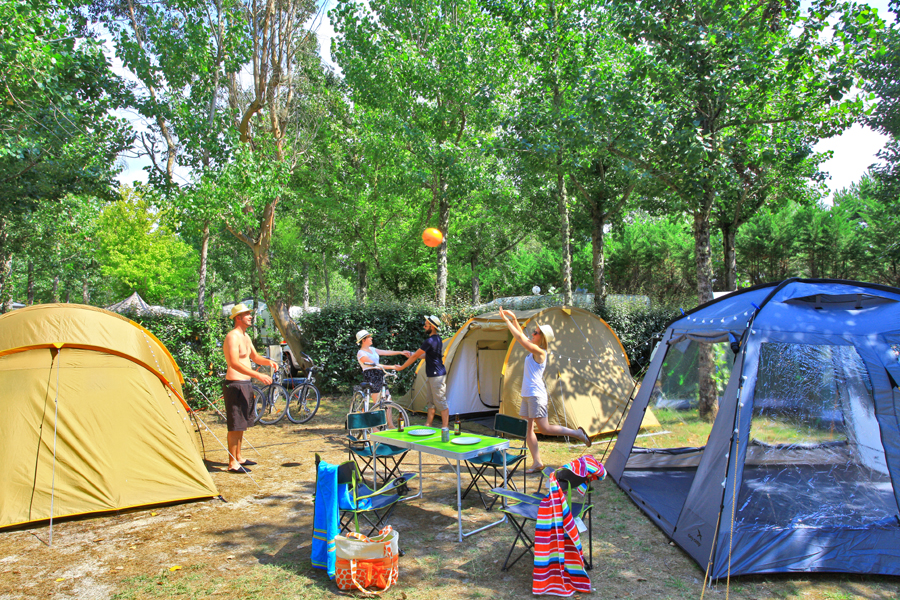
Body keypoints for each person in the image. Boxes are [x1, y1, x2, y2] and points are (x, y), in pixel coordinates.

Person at [498, 306, 591, 473]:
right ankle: (537, 462)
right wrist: (513, 318)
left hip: (536, 395)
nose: (533, 333)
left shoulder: (540, 352)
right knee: (527, 430)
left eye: (536, 332)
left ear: (542, 338)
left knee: (544, 429)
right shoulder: (534, 347)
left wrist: (506, 321)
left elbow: (519, 338)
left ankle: (577, 433)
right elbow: (522, 335)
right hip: (527, 394)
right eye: (534, 331)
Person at [222, 303, 278, 473]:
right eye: (247, 314)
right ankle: (232, 463)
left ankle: (239, 457)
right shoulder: (232, 336)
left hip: (245, 384)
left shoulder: (245, 336)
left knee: (242, 423)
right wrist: (258, 375)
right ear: (238, 318)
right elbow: (234, 363)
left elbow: (254, 357)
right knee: (235, 423)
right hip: (235, 384)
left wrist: (268, 361)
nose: (251, 316)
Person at [395, 315, 449, 429]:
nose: (424, 327)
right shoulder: (437, 339)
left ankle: (445, 427)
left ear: (432, 327)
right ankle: (428, 424)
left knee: (440, 401)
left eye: (426, 325)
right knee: (430, 401)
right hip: (433, 374)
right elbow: (426, 355)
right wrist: (412, 353)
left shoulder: (430, 341)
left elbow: (415, 356)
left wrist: (401, 367)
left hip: (437, 375)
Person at [355, 329, 411, 426]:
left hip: (380, 376)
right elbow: (373, 365)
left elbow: (386, 352)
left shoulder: (372, 349)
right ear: (363, 340)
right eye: (369, 337)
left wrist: (400, 352)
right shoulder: (361, 353)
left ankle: (390, 424)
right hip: (371, 377)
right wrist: (392, 367)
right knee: (376, 404)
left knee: (388, 400)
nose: (371, 338)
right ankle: (374, 428)